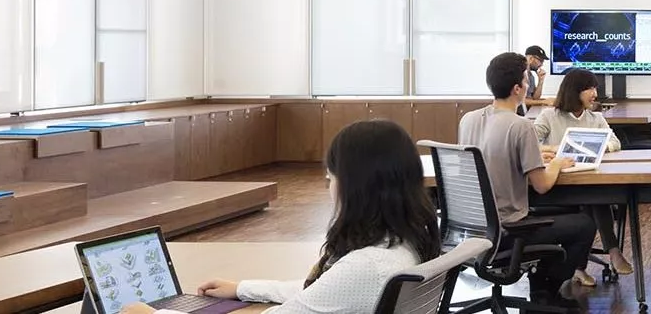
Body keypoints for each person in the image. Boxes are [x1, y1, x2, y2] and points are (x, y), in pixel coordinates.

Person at [127, 119, 438, 314]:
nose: (329, 187)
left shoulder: (367, 266)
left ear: (356, 186)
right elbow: (322, 294)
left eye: (331, 178)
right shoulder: (402, 243)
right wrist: (243, 288)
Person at [459, 52, 596, 303]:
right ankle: (545, 292)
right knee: (584, 224)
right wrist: (554, 163)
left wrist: (534, 155)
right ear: (518, 88)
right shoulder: (521, 126)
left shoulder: (468, 120)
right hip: (507, 231)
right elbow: (542, 185)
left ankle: (540, 287)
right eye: (526, 79)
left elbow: (491, 156)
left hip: (472, 229)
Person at [537, 69, 627, 289]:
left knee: (595, 198)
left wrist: (597, 147)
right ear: (574, 91)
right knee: (594, 201)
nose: (595, 94)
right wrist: (554, 149)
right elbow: (529, 143)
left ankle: (584, 265)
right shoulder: (549, 116)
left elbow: (615, 143)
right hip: (558, 184)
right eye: (590, 88)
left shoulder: (595, 118)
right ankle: (610, 252)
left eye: (596, 88)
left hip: (588, 180)